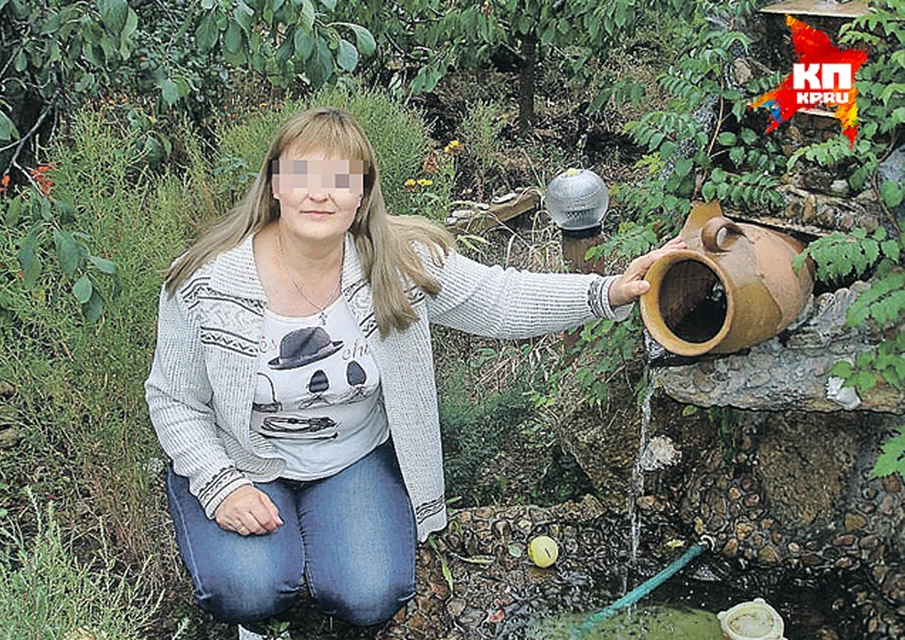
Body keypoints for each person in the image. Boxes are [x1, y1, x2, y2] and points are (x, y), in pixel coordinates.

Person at [145, 106, 686, 639]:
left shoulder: (397, 262)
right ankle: (260, 620)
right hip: (243, 459)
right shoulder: (206, 281)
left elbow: (501, 298)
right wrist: (221, 486)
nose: (320, 193)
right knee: (248, 588)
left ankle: (324, 567)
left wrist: (608, 291)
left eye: (340, 179)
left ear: (362, 194)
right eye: (302, 175)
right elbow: (173, 399)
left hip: (351, 457)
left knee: (370, 594)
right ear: (275, 186)